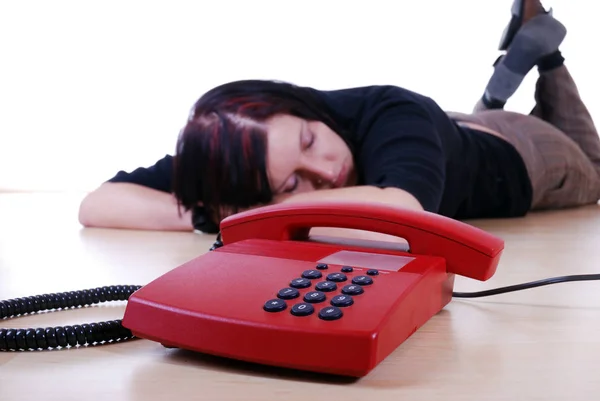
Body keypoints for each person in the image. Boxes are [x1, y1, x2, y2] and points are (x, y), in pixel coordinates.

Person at [79, 0, 600, 239]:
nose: (325, 172)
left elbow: (401, 209)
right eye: (292, 183)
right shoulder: (247, 153)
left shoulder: (392, 107)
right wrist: (207, 210)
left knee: (590, 164)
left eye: (309, 141)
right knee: (460, 131)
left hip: (523, 160)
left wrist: (243, 215)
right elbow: (97, 203)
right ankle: (502, 81)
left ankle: (546, 54)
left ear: (303, 106)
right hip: (447, 137)